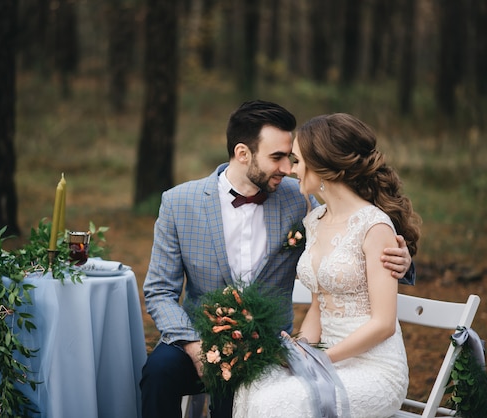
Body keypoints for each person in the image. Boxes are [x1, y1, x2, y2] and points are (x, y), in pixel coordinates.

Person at [140, 101, 414, 418]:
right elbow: (160, 290)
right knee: (157, 374)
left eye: (291, 157)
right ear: (243, 154)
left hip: (267, 345)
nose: (287, 168)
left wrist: (402, 261)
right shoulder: (178, 203)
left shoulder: (300, 201)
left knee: (249, 395)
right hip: (197, 336)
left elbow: (354, 237)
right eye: (277, 157)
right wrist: (192, 345)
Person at [233, 113, 422, 418]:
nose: (291, 169)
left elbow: (384, 324)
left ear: (322, 166)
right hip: (327, 357)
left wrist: (319, 359)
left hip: (373, 367)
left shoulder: (374, 227)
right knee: (253, 384)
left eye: (296, 160)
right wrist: (300, 349)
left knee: (281, 402)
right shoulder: (314, 221)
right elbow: (319, 305)